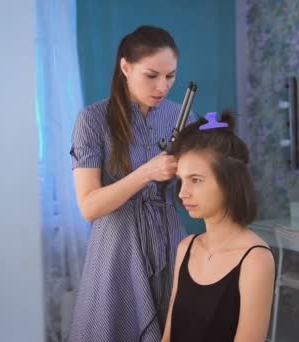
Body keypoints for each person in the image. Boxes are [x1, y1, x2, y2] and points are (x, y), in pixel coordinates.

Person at [68, 25, 194, 342]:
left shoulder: (181, 116)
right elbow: (89, 206)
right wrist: (146, 172)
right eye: (151, 75)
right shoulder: (92, 120)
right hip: (118, 249)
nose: (162, 86)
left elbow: (190, 194)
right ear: (125, 67)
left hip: (169, 240)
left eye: (170, 76)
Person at [161, 112, 276, 342]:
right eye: (181, 181)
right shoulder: (186, 247)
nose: (182, 193)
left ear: (230, 182)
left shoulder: (255, 259)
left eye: (196, 180)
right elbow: (168, 336)